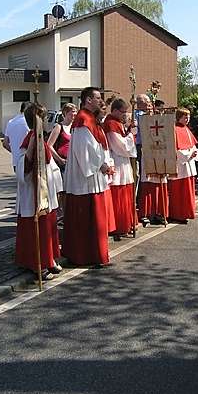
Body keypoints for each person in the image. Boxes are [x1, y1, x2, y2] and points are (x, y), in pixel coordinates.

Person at [63, 87, 115, 267]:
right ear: (87, 100)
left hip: (94, 176)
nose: (101, 101)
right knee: (88, 219)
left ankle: (96, 254)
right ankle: (86, 255)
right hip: (86, 179)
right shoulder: (83, 120)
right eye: (98, 98)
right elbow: (85, 150)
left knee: (95, 219)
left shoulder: (91, 120)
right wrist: (101, 164)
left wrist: (105, 162)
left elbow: (98, 146)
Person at [15, 103, 63, 280]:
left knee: (48, 228)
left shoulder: (41, 138)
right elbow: (23, 167)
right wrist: (30, 150)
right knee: (37, 229)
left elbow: (51, 166)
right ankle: (37, 264)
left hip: (46, 192)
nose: (47, 121)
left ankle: (49, 259)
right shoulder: (29, 141)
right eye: (44, 118)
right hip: (33, 193)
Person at [103, 98, 137, 240]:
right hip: (117, 162)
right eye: (123, 112)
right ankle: (119, 225)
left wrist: (128, 129)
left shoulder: (118, 123)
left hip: (123, 163)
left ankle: (126, 223)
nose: (125, 115)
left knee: (125, 194)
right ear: (115, 110)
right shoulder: (111, 123)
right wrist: (131, 135)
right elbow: (121, 147)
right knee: (118, 196)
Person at [167, 108, 198, 224]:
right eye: (185, 117)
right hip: (180, 166)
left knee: (187, 191)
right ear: (179, 117)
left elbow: (193, 145)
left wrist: (193, 152)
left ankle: (186, 213)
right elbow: (177, 150)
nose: (187, 119)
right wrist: (189, 154)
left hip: (188, 165)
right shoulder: (175, 129)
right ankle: (177, 214)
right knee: (179, 192)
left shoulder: (186, 129)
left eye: (189, 117)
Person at [47, 103, 78, 171]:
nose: (75, 113)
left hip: (73, 163)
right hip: (62, 164)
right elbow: (49, 145)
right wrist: (59, 159)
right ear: (65, 113)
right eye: (73, 111)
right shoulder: (59, 127)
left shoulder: (75, 127)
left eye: (76, 111)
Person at [3, 101, 32, 172]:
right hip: (29, 161)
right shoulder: (29, 122)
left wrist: (14, 151)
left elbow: (5, 143)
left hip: (16, 161)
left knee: (19, 182)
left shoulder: (11, 122)